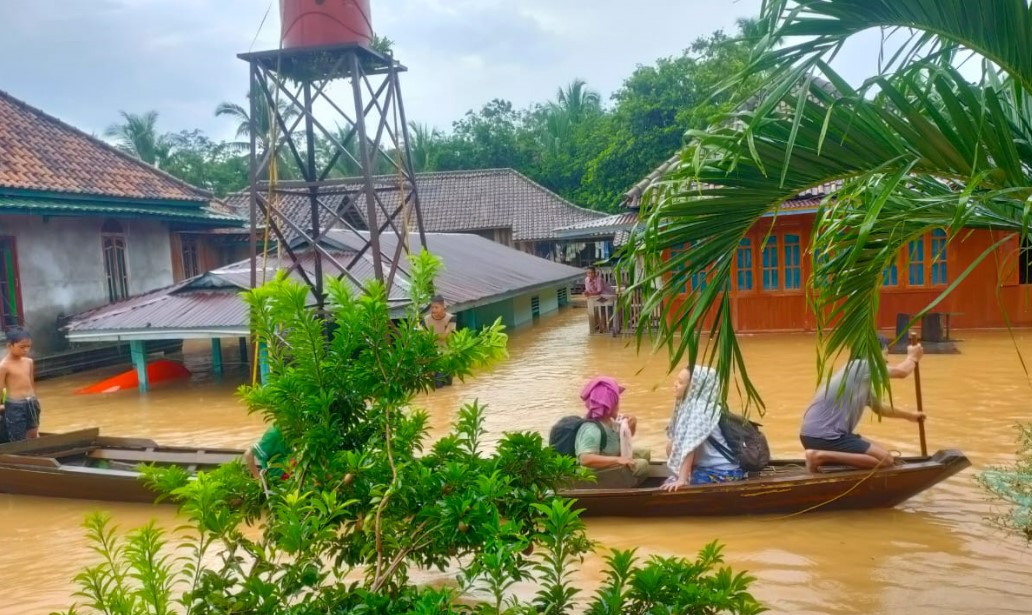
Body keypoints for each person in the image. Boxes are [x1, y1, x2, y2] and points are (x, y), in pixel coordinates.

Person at [801, 337, 926, 473]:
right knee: (886, 460)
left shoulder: (858, 377)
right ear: (874, 353)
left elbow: (879, 408)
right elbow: (901, 372)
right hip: (826, 437)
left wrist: (910, 416)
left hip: (817, 436)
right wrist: (913, 357)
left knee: (884, 455)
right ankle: (818, 456)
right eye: (885, 354)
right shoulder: (860, 366)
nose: (885, 361)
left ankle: (823, 457)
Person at [662, 365, 744, 490]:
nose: (675, 385)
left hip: (723, 471)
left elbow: (690, 447)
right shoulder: (690, 406)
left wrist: (682, 480)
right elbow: (678, 443)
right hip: (706, 467)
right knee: (670, 449)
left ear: (694, 387)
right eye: (677, 380)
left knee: (675, 485)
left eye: (681, 382)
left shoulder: (701, 410)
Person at [572, 376, 650, 489]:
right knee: (643, 465)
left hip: (611, 459)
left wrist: (632, 424)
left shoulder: (611, 420)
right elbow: (585, 459)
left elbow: (626, 439)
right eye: (617, 402)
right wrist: (618, 460)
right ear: (609, 405)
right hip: (597, 474)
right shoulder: (591, 429)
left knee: (645, 453)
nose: (619, 406)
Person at [0, 328, 40, 442]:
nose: (26, 350)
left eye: (28, 346)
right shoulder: (4, 366)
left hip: (31, 401)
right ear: (10, 346)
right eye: (22, 347)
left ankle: (33, 455)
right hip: (15, 405)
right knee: (18, 435)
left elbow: (31, 383)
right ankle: (21, 457)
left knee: (33, 432)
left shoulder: (29, 362)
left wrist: (35, 399)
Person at [423, 295, 457, 388]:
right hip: (432, 355)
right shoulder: (426, 319)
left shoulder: (451, 318)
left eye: (436, 307)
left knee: (448, 384)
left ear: (443, 307)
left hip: (447, 354)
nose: (433, 310)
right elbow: (423, 338)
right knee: (437, 385)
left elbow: (444, 337)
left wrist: (430, 335)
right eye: (432, 307)